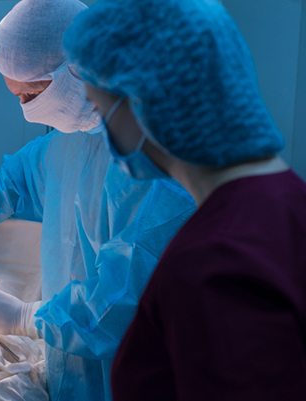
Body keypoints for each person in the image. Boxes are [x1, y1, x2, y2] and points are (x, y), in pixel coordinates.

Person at [0, 0, 195, 399]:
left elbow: (120, 305)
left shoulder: (159, 158)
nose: (26, 110)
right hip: (69, 367)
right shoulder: (70, 139)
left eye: (31, 94)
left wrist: (24, 317)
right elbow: (12, 179)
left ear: (77, 68)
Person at [64, 0, 306, 399]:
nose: (102, 131)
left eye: (98, 108)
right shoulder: (288, 201)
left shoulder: (217, 262)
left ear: (141, 102)